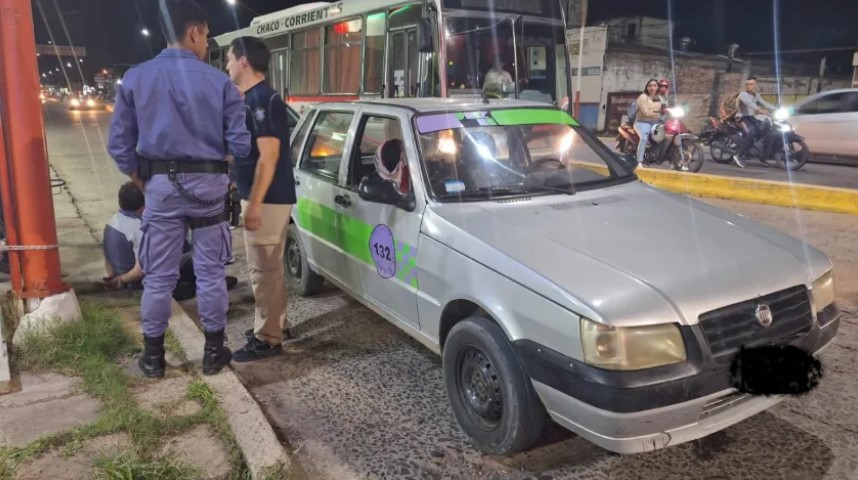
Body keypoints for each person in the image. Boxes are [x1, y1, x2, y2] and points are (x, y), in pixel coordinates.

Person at [107, 0, 251, 378]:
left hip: (160, 190)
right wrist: (224, 176)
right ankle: (214, 352)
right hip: (210, 192)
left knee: (158, 277)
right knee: (210, 273)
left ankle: (153, 358)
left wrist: (142, 180)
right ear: (194, 31)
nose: (207, 44)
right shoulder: (221, 83)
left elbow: (119, 145)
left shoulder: (136, 78)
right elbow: (240, 145)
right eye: (207, 36)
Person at [225, 36, 296, 362]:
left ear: (243, 61)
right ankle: (275, 324)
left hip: (266, 200)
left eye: (229, 59)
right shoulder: (256, 98)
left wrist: (253, 203)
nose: (227, 65)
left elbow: (269, 156)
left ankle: (267, 338)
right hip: (266, 198)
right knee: (269, 269)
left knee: (263, 271)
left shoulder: (262, 100)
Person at [100, 182, 238, 300]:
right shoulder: (139, 229)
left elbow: (108, 259)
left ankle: (197, 283)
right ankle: (211, 284)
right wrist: (121, 280)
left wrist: (114, 278)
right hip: (144, 282)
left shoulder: (113, 221)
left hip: (132, 279)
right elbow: (140, 270)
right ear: (142, 206)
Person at [733, 76, 777, 168]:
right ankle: (739, 155)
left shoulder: (756, 95)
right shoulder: (743, 94)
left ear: (755, 85)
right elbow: (749, 103)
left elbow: (764, 103)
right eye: (747, 84)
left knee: (769, 133)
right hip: (741, 118)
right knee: (751, 132)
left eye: (751, 84)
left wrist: (775, 109)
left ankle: (763, 157)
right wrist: (759, 109)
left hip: (751, 118)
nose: (748, 86)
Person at [632, 79, 663, 167]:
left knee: (667, 136)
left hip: (655, 122)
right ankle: (639, 161)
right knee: (644, 138)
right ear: (647, 87)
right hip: (642, 122)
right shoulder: (643, 97)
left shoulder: (659, 98)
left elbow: (663, 110)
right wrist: (657, 113)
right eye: (650, 85)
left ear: (658, 87)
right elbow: (645, 113)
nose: (652, 87)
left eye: (654, 85)